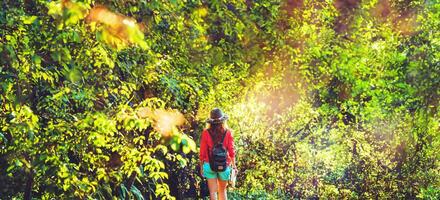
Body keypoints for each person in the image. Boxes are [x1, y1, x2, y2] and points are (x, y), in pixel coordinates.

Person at [199, 108, 236, 200]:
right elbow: (231, 151)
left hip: (209, 165)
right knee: (222, 191)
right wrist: (234, 166)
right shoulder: (228, 132)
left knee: (213, 192)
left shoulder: (205, 133)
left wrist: (201, 167)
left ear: (210, 122)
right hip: (224, 165)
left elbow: (202, 152)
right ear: (223, 121)